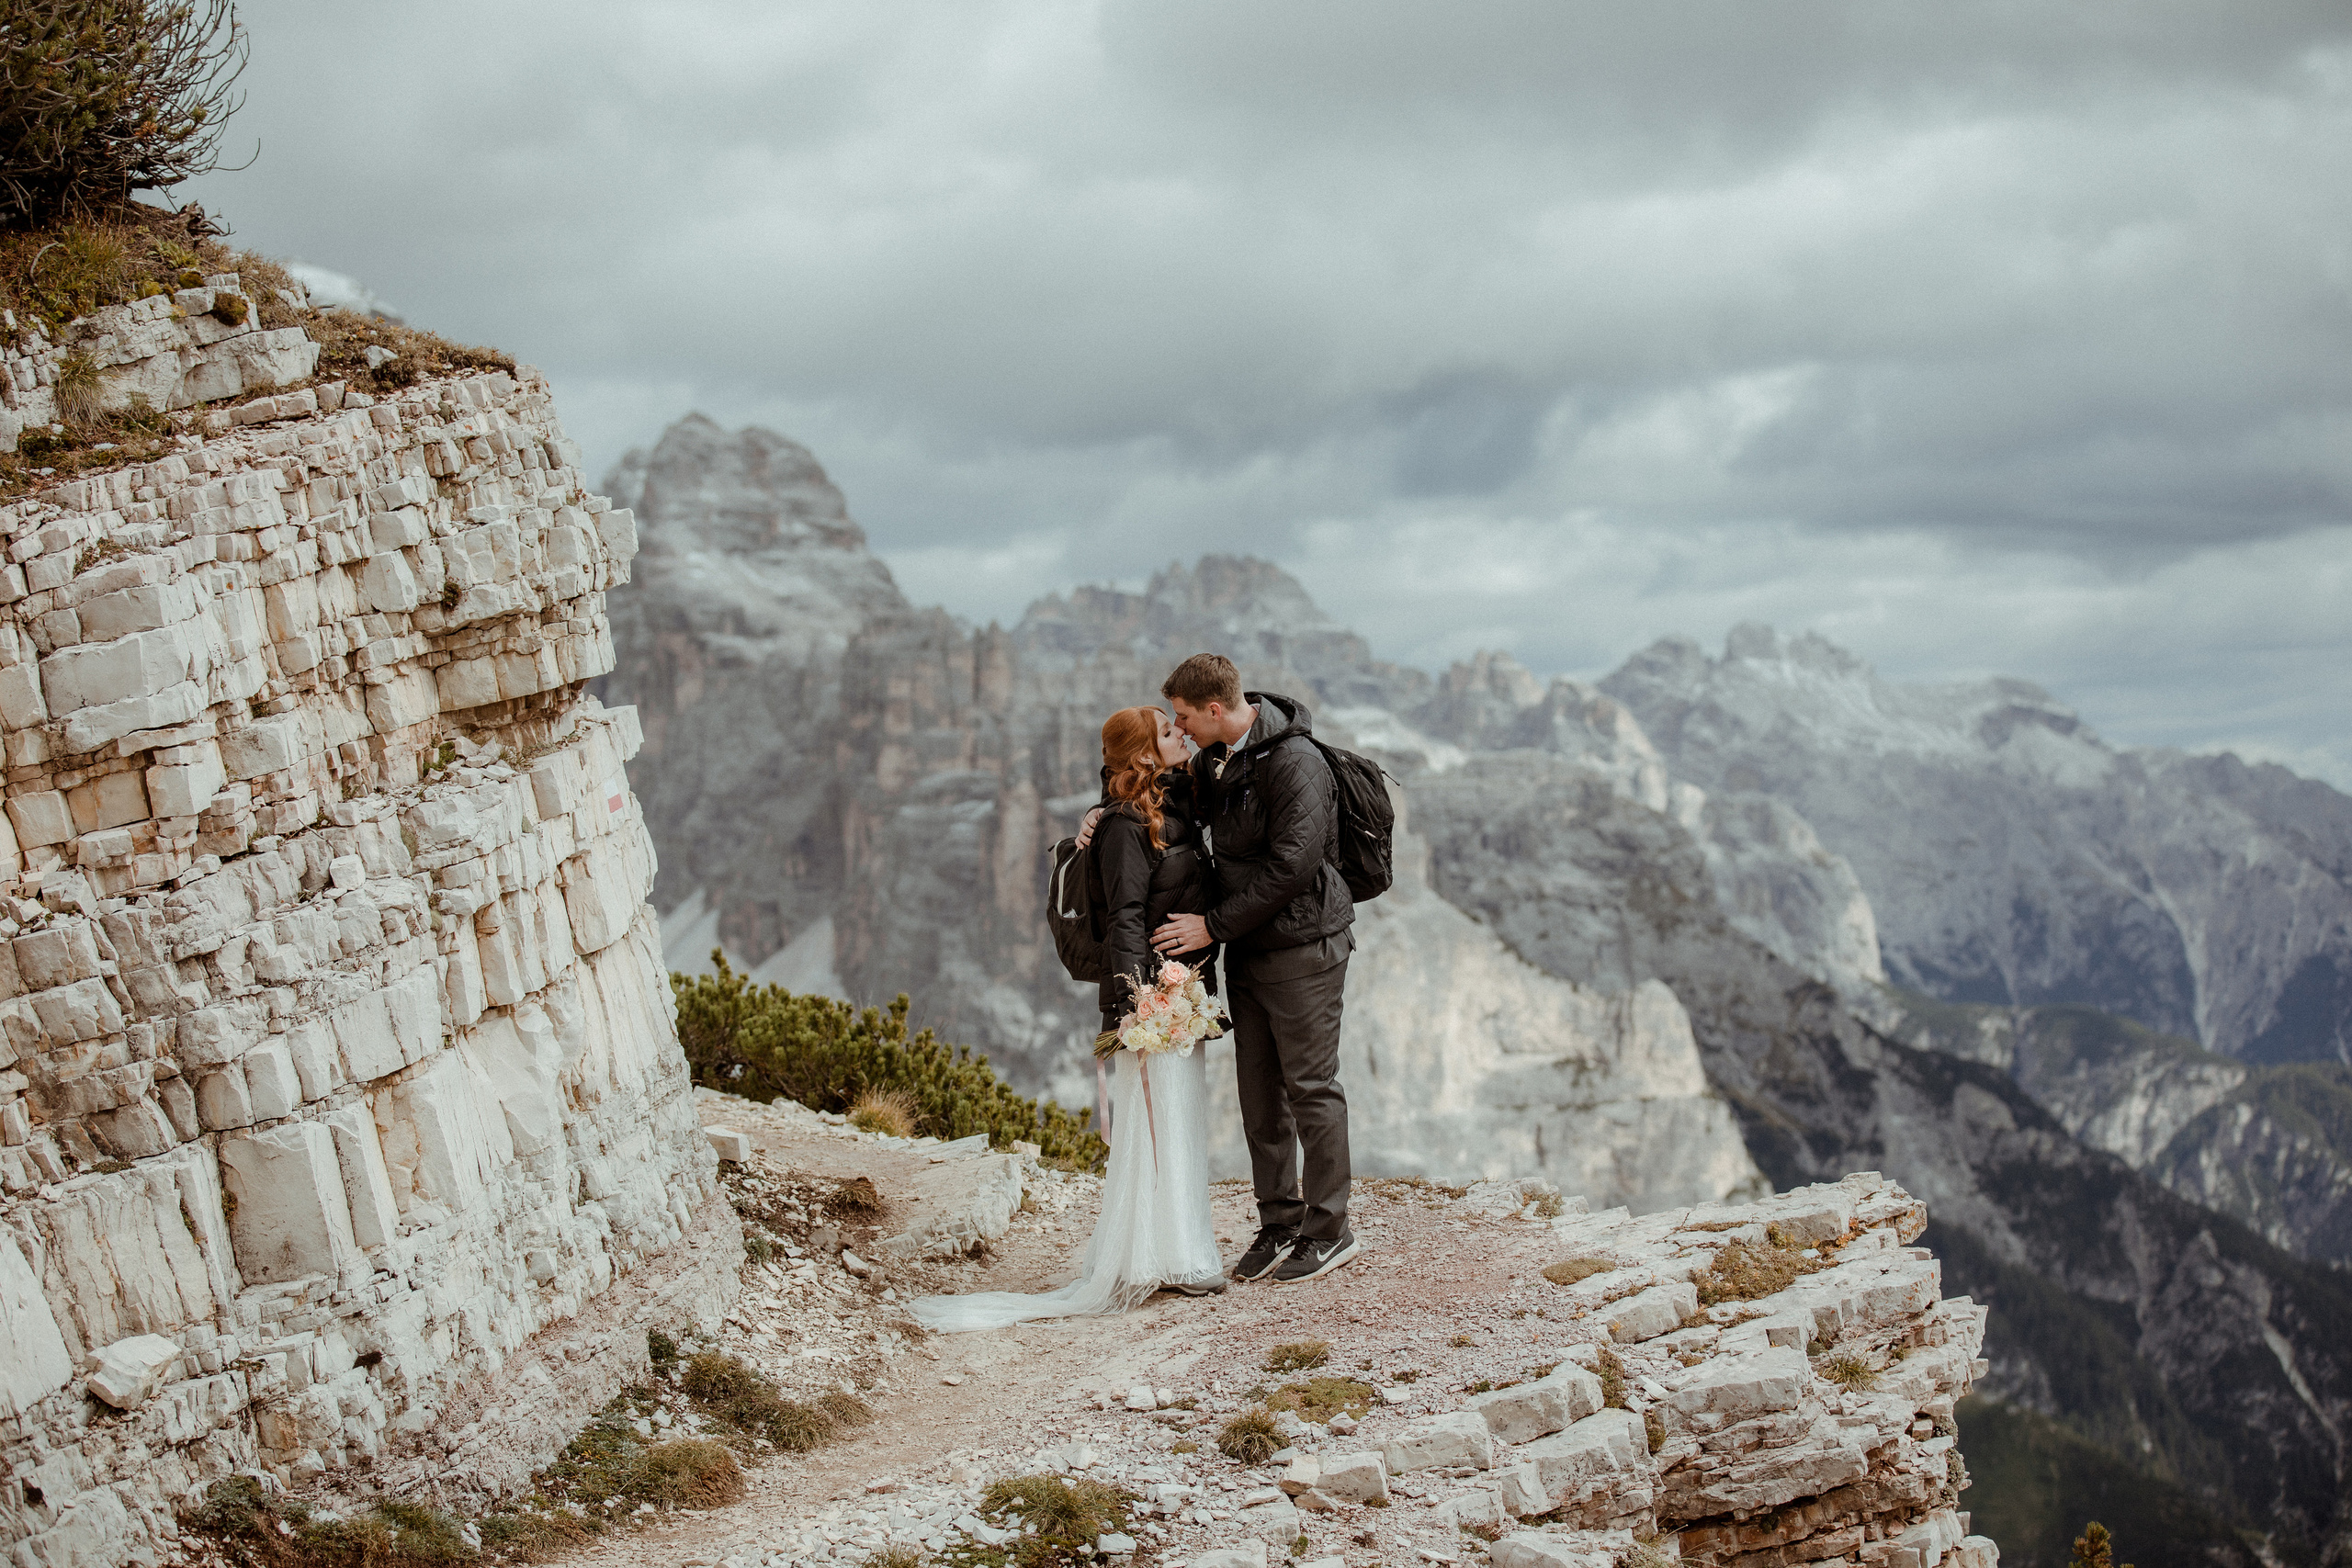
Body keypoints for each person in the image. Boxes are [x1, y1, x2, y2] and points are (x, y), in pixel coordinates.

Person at [906, 706, 1226, 1331]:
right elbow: (1125, 919)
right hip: (1153, 997)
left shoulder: (1170, 804)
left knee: (1178, 1118)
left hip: (1182, 990)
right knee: (1155, 1123)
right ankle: (1157, 1257)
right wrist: (1136, 1004)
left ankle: (1178, 1250)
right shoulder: (1125, 827)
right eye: (1168, 732)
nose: (1182, 735)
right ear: (1144, 755)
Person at [1151, 653, 1360, 1285]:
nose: (1179, 729)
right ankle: (1279, 1223)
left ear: (1215, 709)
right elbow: (1176, 804)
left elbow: (1293, 866)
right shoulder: (1217, 757)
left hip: (1303, 950)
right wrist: (1102, 811)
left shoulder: (1295, 762)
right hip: (1251, 950)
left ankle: (1330, 1231)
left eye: (1184, 717)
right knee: (1260, 1094)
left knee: (1311, 1088)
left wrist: (1212, 926)